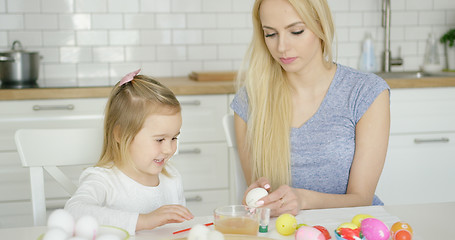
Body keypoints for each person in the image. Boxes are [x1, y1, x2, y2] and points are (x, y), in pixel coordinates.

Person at [231, 0, 390, 217]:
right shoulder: (250, 101)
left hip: (352, 226)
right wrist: (258, 197)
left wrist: (304, 199)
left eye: (296, 31)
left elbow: (361, 198)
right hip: (286, 230)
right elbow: (260, 196)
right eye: (271, 34)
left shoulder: (365, 92)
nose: (282, 47)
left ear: (321, 27)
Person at [65, 69, 193, 235]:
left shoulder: (172, 178)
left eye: (174, 138)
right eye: (160, 140)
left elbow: (181, 230)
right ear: (120, 134)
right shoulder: (104, 180)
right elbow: (73, 213)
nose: (169, 149)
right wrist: (144, 220)